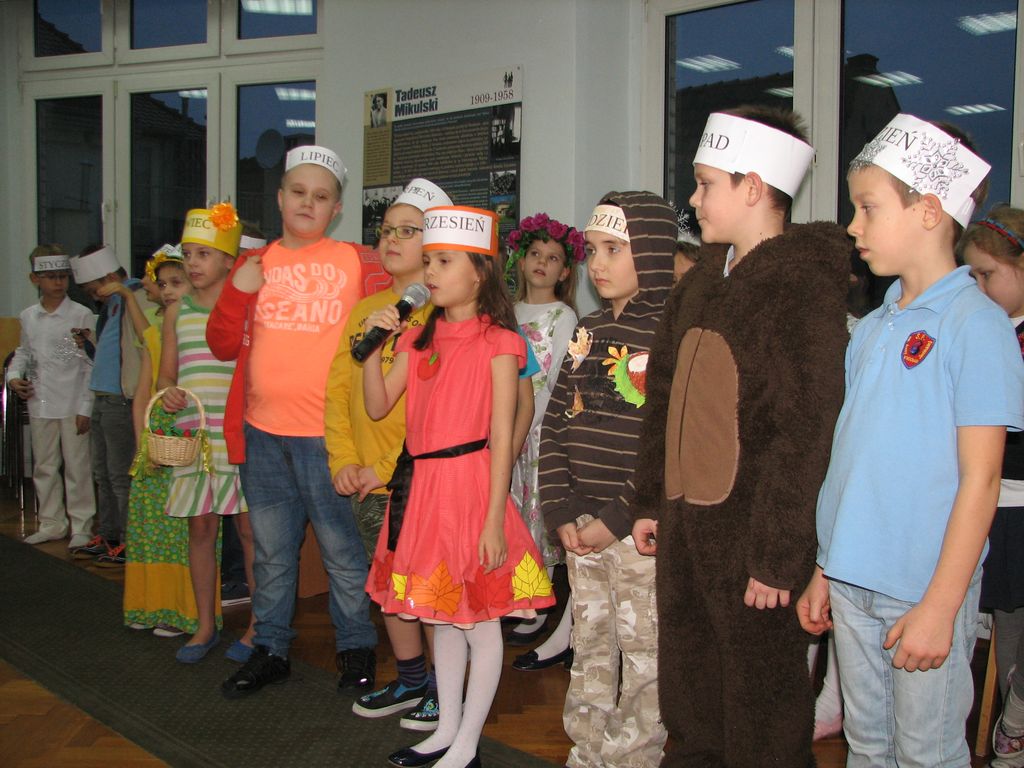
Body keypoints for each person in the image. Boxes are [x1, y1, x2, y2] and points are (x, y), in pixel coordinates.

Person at [798, 115, 1024, 766]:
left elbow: (981, 478)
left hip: (921, 587)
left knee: (926, 751)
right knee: (867, 743)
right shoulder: (872, 328)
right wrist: (824, 567)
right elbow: (852, 458)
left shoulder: (975, 325)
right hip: (852, 577)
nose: (853, 226)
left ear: (928, 211)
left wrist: (941, 606)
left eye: (868, 208)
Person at [630, 106, 850, 767]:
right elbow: (661, 398)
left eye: (705, 185)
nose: (694, 201)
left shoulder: (802, 288)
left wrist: (778, 555)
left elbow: (804, 430)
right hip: (685, 527)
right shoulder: (698, 284)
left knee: (761, 703)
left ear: (752, 187)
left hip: (752, 541)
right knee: (691, 689)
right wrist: (649, 499)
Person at [362, 206, 555, 768]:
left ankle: (468, 742)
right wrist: (372, 351)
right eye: (428, 261)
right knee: (439, 615)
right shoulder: (420, 337)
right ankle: (445, 727)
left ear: (479, 273)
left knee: (479, 620)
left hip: (471, 488)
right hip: (423, 488)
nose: (431, 271)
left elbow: (502, 434)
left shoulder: (501, 341)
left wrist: (494, 519)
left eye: (444, 261)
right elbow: (378, 405)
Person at [208, 145, 377, 696]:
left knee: (343, 555)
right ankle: (270, 650)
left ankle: (356, 648)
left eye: (321, 196)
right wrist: (237, 293)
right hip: (263, 435)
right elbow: (221, 343)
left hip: (330, 439)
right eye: (298, 192)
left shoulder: (358, 262)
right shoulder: (254, 265)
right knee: (273, 556)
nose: (308, 203)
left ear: (336, 208)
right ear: (280, 198)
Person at [540, 191, 676, 767]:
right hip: (581, 525)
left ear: (652, 252)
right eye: (592, 249)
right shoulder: (588, 330)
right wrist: (560, 509)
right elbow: (555, 423)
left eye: (614, 249)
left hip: (635, 530)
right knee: (590, 643)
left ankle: (634, 756)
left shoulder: (671, 334)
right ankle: (589, 748)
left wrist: (617, 518)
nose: (597, 263)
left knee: (645, 652)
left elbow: (668, 442)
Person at [326, 178, 451, 731]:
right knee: (388, 589)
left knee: (425, 590)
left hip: (414, 482)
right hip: (364, 482)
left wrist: (382, 469)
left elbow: (437, 412)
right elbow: (338, 391)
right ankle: (411, 679)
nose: (393, 239)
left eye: (408, 230)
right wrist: (343, 462)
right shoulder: (367, 311)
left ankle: (444, 690)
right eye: (386, 230)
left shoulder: (442, 315)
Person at [157, 204, 255, 664]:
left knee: (249, 530)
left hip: (236, 434)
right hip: (195, 437)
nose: (193, 263)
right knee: (200, 527)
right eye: (188, 254)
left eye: (203, 254)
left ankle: (258, 626)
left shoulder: (245, 309)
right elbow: (166, 375)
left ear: (229, 261)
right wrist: (168, 394)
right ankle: (204, 623)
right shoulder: (177, 312)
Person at [959, 204, 1024, 766]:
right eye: (972, 276)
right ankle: (1013, 732)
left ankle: (1017, 717)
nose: (978, 288)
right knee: (1009, 621)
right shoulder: (981, 331)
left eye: (988, 274)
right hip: (995, 504)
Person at [502, 213, 581, 657]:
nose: (542, 263)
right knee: (513, 514)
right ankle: (520, 595)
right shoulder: (508, 313)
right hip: (507, 428)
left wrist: (529, 425)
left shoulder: (562, 316)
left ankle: (537, 603)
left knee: (536, 515)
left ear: (565, 272)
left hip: (539, 433)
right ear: (521, 260)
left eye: (553, 258)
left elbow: (556, 381)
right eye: (535, 254)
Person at [123, 246, 196, 636]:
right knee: (147, 527)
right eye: (163, 284)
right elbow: (143, 393)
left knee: (181, 529)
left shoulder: (200, 330)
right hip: (155, 441)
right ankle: (147, 603)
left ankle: (180, 609)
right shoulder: (154, 334)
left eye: (176, 283)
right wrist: (142, 445)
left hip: (188, 438)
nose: (168, 291)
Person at [7, 246, 96, 548]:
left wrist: (86, 406)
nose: (58, 282)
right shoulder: (28, 316)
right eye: (51, 277)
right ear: (35, 279)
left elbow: (90, 363)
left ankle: (82, 524)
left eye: (62, 276)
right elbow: (24, 352)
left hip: (72, 402)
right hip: (40, 400)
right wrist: (14, 376)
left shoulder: (81, 314)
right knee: (44, 466)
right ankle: (51, 522)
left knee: (77, 466)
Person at [69, 244, 149, 564]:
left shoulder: (136, 296)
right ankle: (109, 534)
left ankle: (130, 540)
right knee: (102, 473)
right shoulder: (112, 306)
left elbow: (143, 342)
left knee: (119, 474)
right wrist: (91, 342)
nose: (94, 297)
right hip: (102, 396)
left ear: (110, 279)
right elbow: (112, 350)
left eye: (94, 290)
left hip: (120, 398)